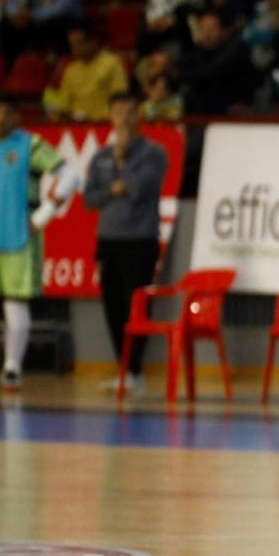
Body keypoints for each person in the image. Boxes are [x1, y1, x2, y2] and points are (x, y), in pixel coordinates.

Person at [0, 95, 80, 390]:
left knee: (16, 306)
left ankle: (12, 368)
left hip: (19, 240)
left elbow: (70, 176)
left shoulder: (30, 144)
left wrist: (42, 216)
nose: (0, 117)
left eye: (7, 113)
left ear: (16, 117)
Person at [82, 93, 168, 396]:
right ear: (110, 116)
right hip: (108, 240)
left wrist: (122, 160)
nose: (124, 119)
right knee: (113, 308)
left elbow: (139, 189)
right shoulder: (100, 156)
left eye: (130, 112)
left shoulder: (153, 153)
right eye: (118, 112)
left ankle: (135, 372)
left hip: (140, 240)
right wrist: (113, 187)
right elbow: (89, 199)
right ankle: (124, 370)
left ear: (138, 116)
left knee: (137, 308)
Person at [52, 25, 129, 122]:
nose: (74, 49)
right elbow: (64, 105)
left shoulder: (112, 64)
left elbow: (120, 98)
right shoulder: (71, 70)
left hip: (105, 122)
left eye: (79, 44)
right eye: (72, 45)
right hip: (77, 124)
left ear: (92, 42)